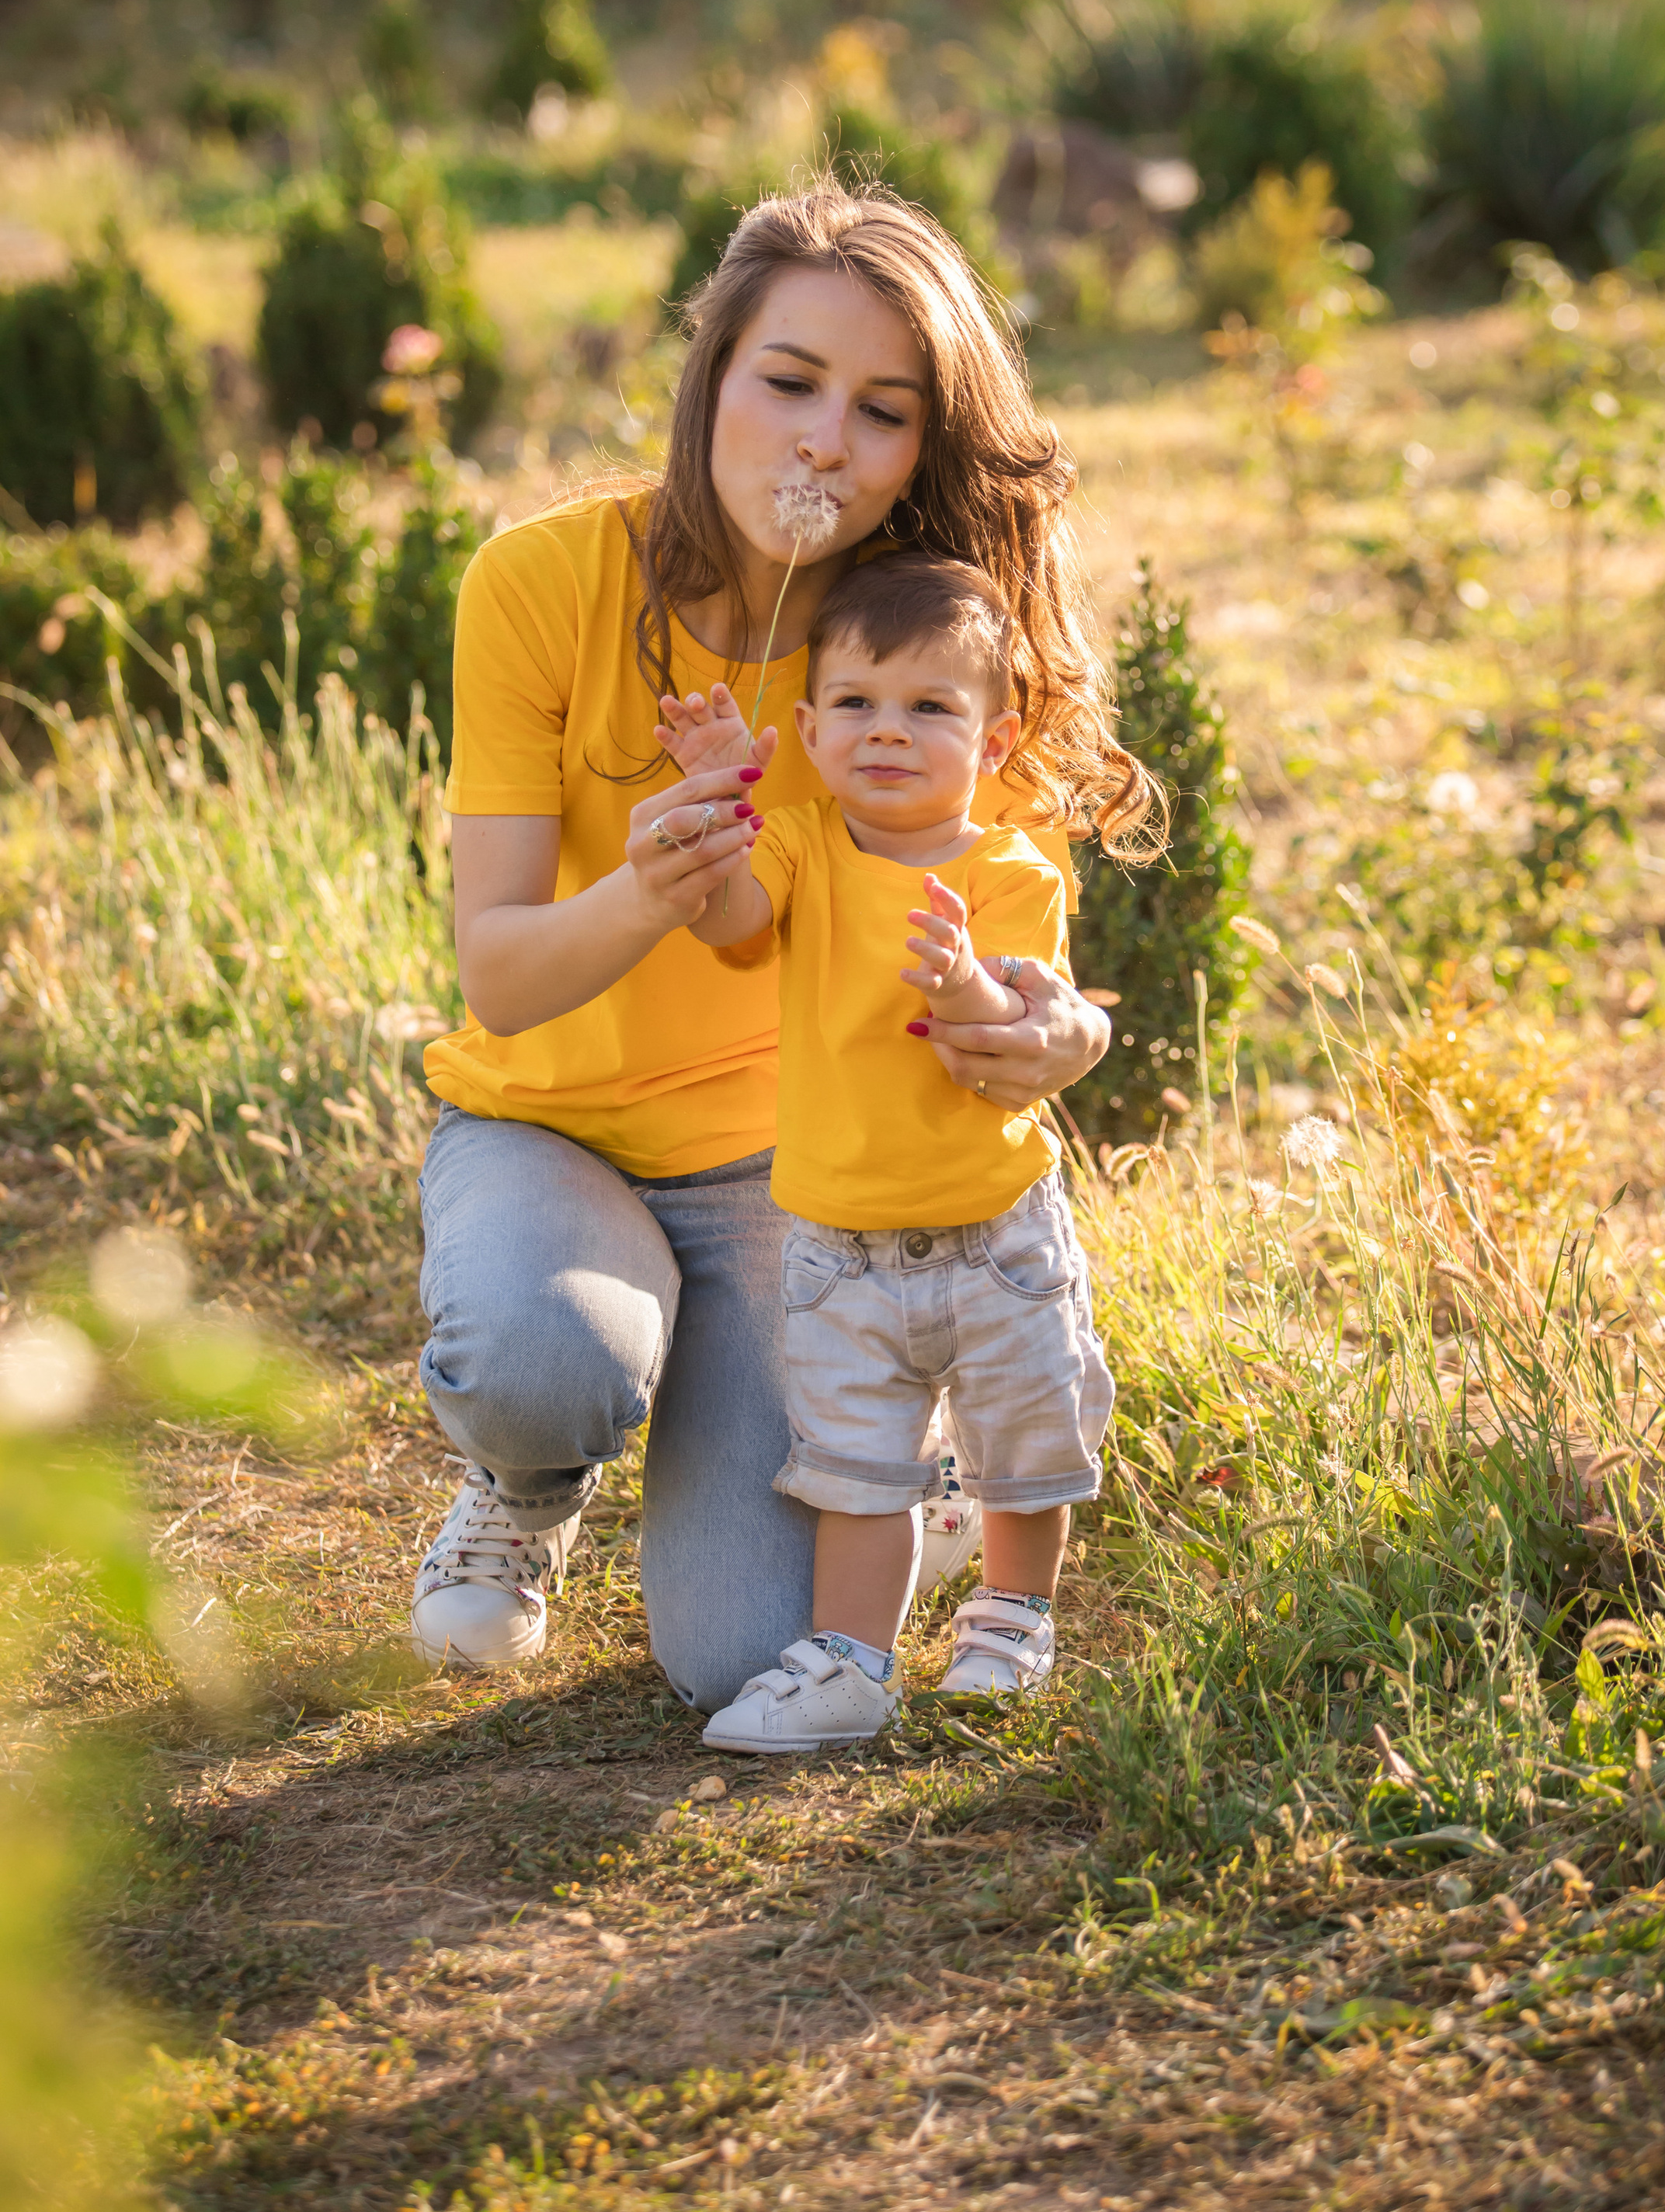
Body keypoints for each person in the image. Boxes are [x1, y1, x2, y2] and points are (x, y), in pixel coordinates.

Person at [408, 181, 1149, 1711]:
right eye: (788, 382)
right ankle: (526, 1480)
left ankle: (847, 1428)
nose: (822, 440)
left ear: (919, 458)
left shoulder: (939, 650)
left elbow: (1025, 961)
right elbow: (498, 970)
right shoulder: (541, 585)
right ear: (712, 376)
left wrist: (1057, 1037)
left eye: (880, 413)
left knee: (746, 1653)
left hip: (790, 1190)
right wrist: (649, 885)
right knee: (545, 1368)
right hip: (543, 1131)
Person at [669, 553, 1136, 1752]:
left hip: (997, 1235)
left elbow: (1016, 1022)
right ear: (812, 733)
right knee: (854, 1468)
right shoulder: (802, 846)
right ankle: (851, 1661)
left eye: (931, 707)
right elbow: (729, 923)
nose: (892, 732)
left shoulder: (1006, 873)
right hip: (838, 1247)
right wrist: (719, 804)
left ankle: (1011, 1616)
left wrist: (966, 980)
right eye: (861, 705)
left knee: (1026, 1445)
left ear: (993, 740)